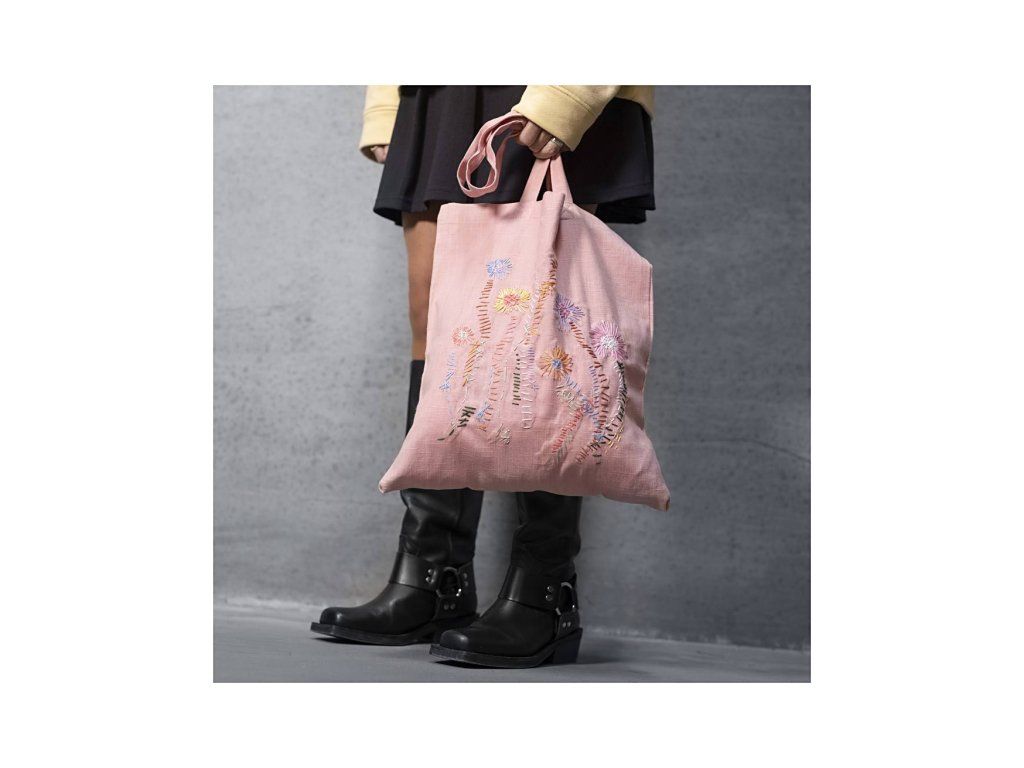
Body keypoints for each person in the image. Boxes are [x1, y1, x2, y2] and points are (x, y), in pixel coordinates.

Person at [312, 85, 655, 668]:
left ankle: (545, 591)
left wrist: (573, 88)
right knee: (436, 315)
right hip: (441, 87)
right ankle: (432, 579)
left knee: (545, 322)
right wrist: (388, 100)